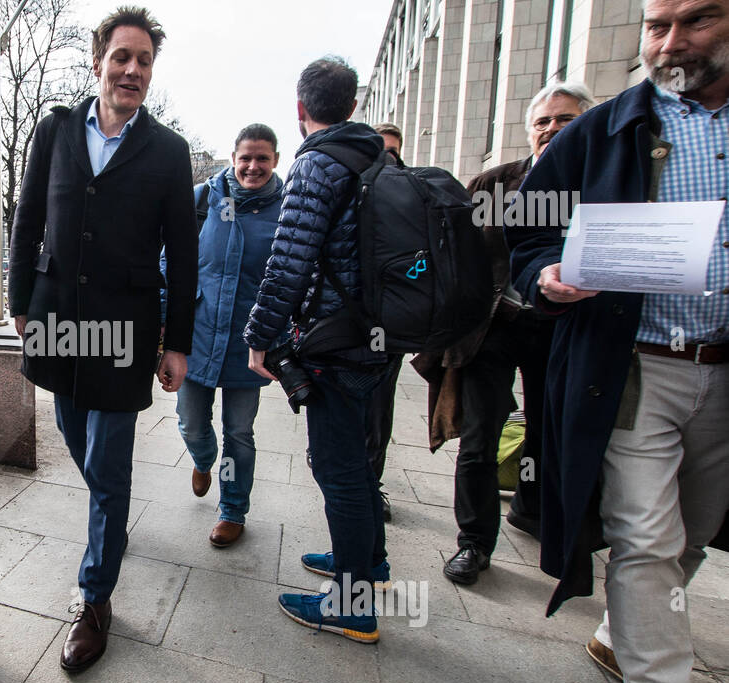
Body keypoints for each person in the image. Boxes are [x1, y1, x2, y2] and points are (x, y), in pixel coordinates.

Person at [506, 0, 729, 683]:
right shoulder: (603, 134)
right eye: (656, 24)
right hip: (633, 364)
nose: (670, 42)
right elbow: (523, 238)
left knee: (695, 527)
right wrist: (550, 277)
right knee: (644, 534)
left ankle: (619, 634)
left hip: (723, 367)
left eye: (697, 19)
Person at [8, 6, 196, 673]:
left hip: (126, 332)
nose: (132, 70)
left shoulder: (170, 154)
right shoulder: (55, 130)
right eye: (122, 56)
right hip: (59, 322)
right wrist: (20, 301)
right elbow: (27, 219)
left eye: (144, 60)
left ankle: (95, 599)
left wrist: (177, 343)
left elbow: (185, 250)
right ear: (97, 62)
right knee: (77, 441)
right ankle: (110, 523)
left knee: (109, 468)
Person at [416, 80, 595, 587]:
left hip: (563, 333)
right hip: (493, 329)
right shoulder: (495, 185)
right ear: (529, 131)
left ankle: (537, 514)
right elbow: (457, 255)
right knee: (479, 440)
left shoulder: (604, 185)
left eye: (567, 119)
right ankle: (473, 543)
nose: (554, 129)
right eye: (544, 121)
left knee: (551, 434)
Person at [245, 56, 391, 644]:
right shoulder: (376, 156)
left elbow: (288, 264)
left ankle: (352, 604)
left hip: (337, 343)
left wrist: (259, 338)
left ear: (301, 110)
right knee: (355, 461)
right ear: (352, 107)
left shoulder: (318, 165)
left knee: (337, 470)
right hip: (378, 337)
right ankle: (367, 563)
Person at [172, 124, 284, 547]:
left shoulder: (286, 209)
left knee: (239, 432)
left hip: (248, 343)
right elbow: (173, 258)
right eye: (246, 157)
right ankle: (203, 460)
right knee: (191, 423)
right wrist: (167, 321)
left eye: (262, 158)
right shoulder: (203, 199)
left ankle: (232, 509)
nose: (253, 166)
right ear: (233, 157)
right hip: (198, 336)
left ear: (275, 160)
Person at [362, 122, 407, 521]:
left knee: (378, 413)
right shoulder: (347, 187)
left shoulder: (411, 192)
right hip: (341, 328)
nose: (384, 158)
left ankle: (369, 488)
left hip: (388, 328)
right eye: (377, 149)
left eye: (391, 151)